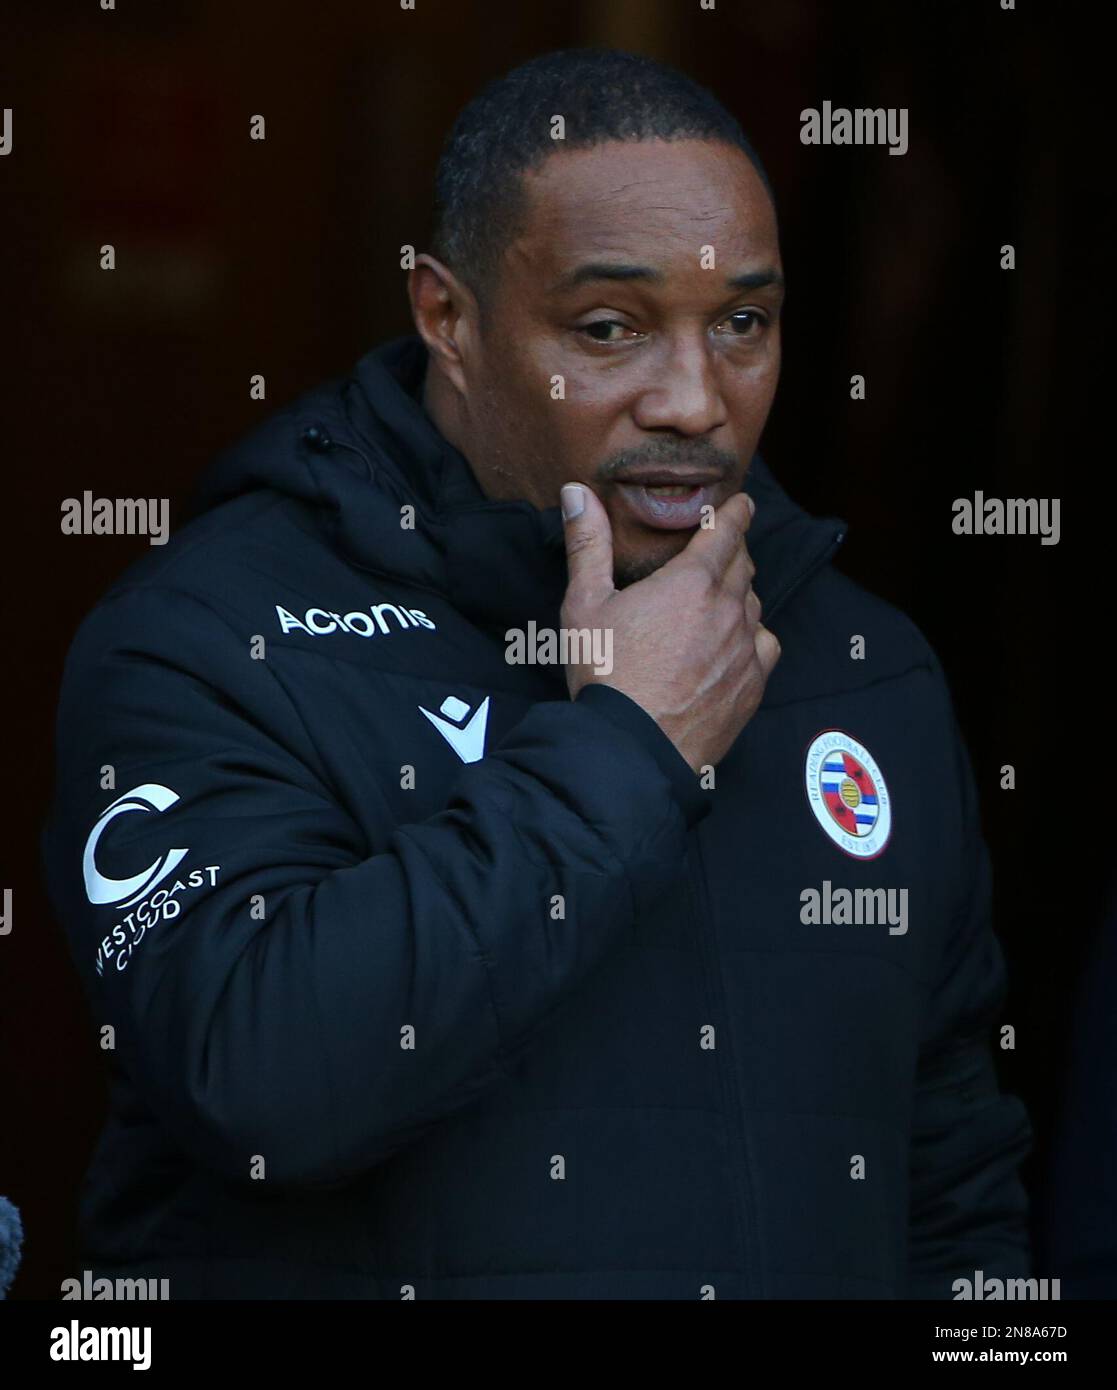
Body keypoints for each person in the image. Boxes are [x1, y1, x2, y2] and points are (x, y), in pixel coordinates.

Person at [41, 47, 1031, 1299]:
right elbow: (254, 1086)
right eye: (609, 328)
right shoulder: (210, 635)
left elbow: (952, 1180)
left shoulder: (861, 666)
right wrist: (625, 746)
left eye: (743, 323)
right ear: (447, 318)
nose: (695, 399)